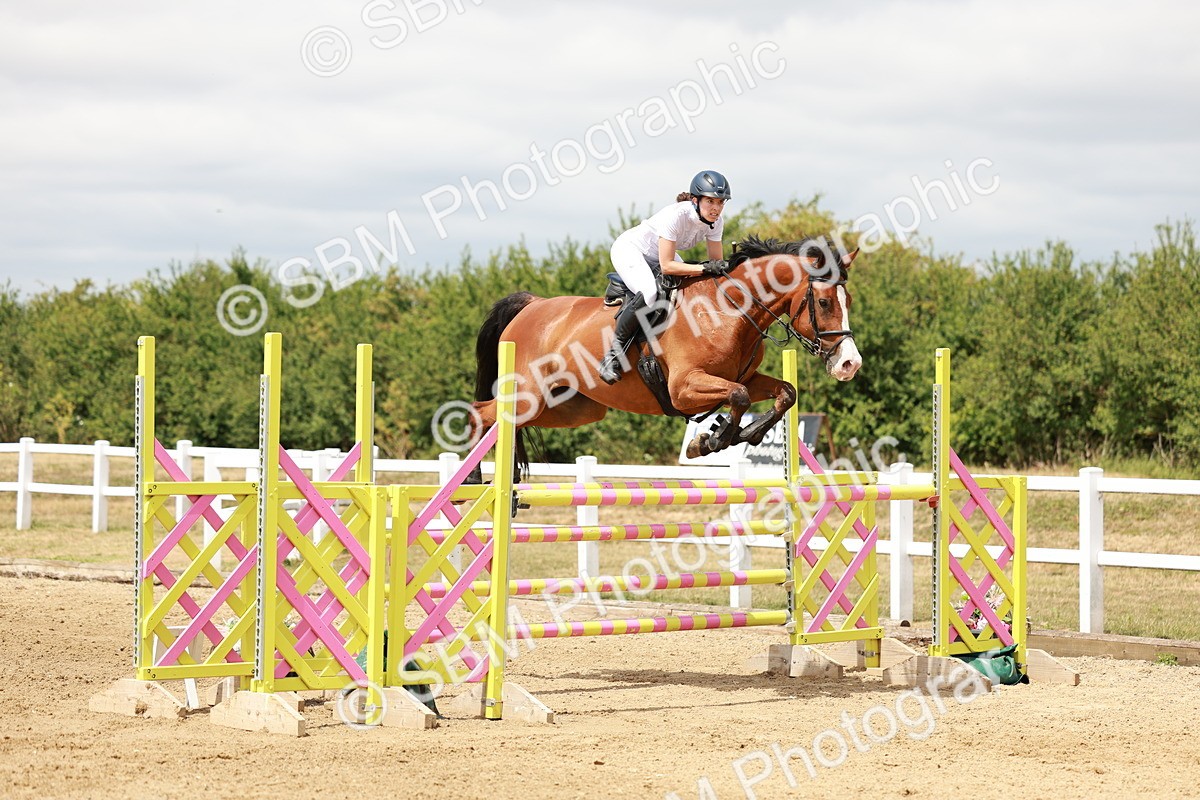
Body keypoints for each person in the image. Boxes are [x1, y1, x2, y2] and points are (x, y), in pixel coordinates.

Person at [597, 169, 733, 384]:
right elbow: (668, 266)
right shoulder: (676, 216)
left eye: (721, 202)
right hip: (631, 249)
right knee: (650, 293)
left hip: (658, 255)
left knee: (691, 287)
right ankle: (612, 355)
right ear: (696, 200)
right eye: (711, 202)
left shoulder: (716, 222)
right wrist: (706, 268)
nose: (716, 208)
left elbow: (714, 264)